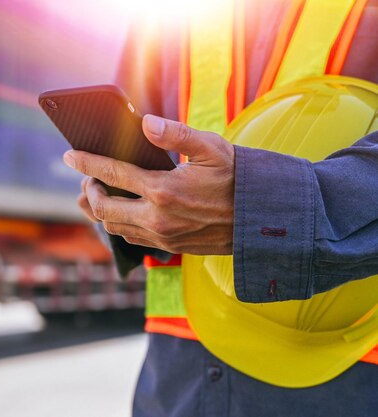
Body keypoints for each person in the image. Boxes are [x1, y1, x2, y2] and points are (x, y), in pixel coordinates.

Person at [63, 1, 378, 416]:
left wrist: (260, 209)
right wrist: (126, 207)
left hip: (346, 374)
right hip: (177, 376)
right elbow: (135, 148)